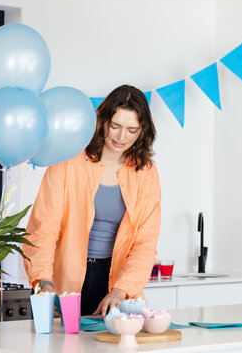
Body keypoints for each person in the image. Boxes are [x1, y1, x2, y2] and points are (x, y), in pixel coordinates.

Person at [23, 84, 161, 316]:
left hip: (116, 282)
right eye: (115, 126)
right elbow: (43, 227)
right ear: (102, 121)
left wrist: (121, 291)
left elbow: (145, 244)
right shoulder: (68, 160)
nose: (121, 137)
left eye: (131, 130)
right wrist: (44, 281)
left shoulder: (146, 172)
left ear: (143, 130)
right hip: (64, 279)